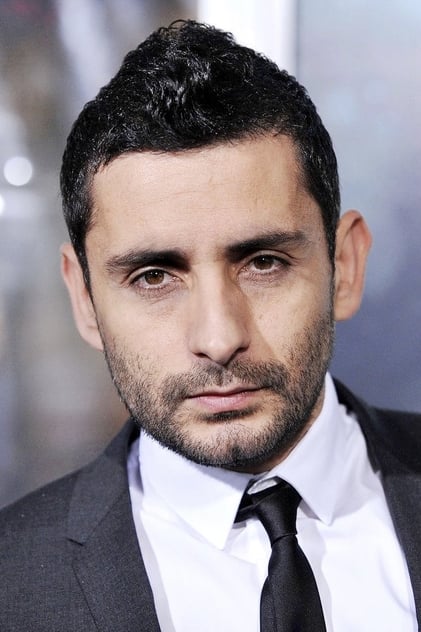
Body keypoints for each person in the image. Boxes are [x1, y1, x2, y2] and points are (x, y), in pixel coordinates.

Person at [0, 19, 419, 632]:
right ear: (85, 299)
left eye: (264, 263)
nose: (219, 339)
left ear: (346, 267)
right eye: (153, 277)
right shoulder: (12, 585)